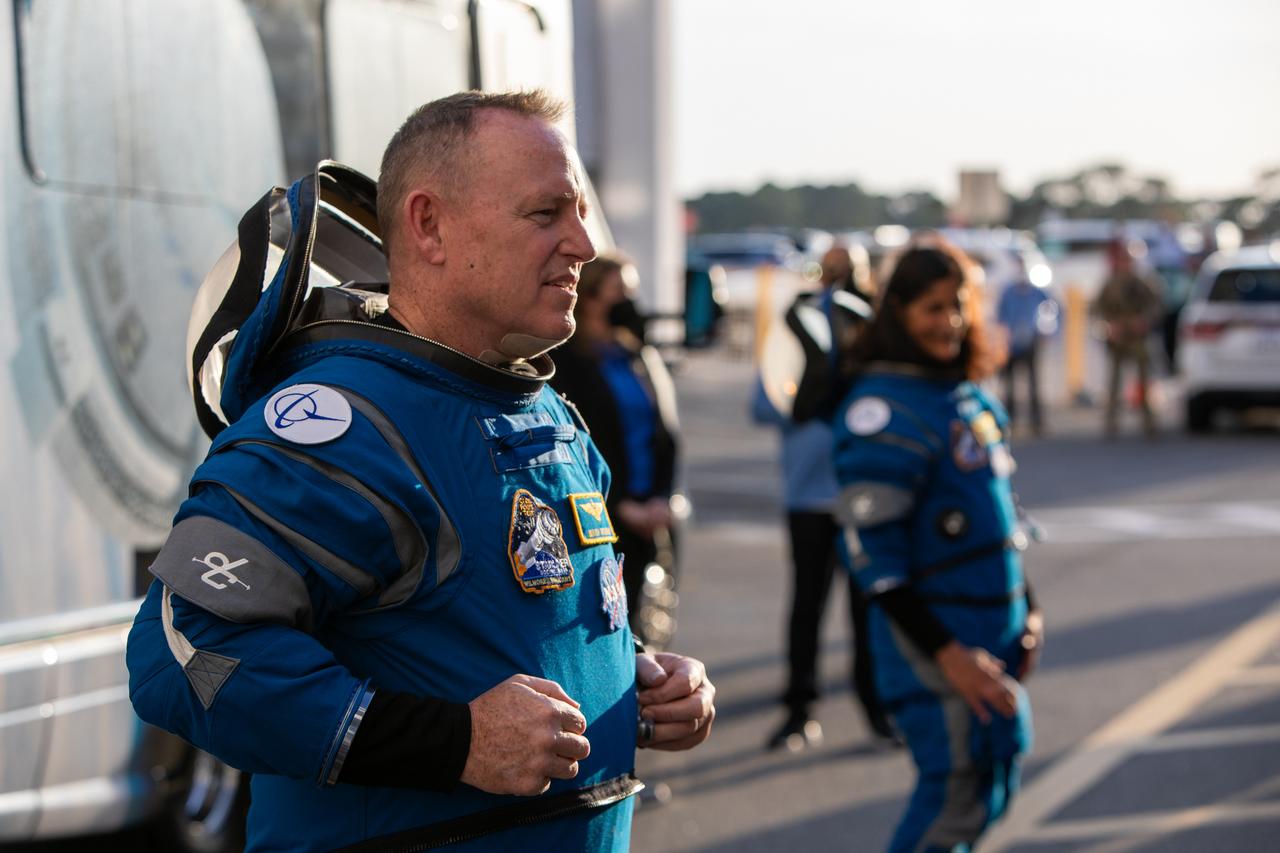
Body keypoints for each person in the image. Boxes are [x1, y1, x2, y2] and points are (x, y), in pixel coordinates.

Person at [126, 90, 714, 853]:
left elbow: (496, 627)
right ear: (429, 225)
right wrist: (455, 740)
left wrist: (638, 678)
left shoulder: (548, 413)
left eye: (578, 214)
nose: (581, 244)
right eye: (546, 215)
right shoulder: (337, 426)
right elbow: (182, 651)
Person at [831, 240, 1043, 852]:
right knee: (953, 798)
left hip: (992, 637)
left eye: (957, 305)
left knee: (990, 783)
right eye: (931, 307)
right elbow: (876, 565)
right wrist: (950, 655)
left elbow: (1000, 522)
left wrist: (1029, 610)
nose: (949, 321)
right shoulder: (881, 411)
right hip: (936, 650)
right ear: (896, 311)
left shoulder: (966, 396)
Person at [751, 245, 894, 751]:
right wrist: (810, 396)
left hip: (864, 494)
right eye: (832, 270)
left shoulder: (874, 331)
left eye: (848, 271)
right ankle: (799, 711)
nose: (839, 281)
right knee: (808, 605)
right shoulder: (795, 325)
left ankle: (878, 710)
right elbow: (763, 404)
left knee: (869, 606)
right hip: (810, 493)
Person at [550, 253, 681, 648]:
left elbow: (663, 431)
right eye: (619, 293)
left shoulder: (634, 355)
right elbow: (576, 441)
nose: (629, 303)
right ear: (588, 298)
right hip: (603, 514)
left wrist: (661, 497)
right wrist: (620, 504)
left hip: (651, 509)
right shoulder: (565, 361)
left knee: (648, 627)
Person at [1093, 239, 1162, 437]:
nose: (1125, 264)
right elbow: (1098, 308)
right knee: (1114, 383)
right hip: (1118, 338)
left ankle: (1149, 423)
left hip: (1137, 337)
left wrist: (1144, 320)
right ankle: (1111, 423)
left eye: (1128, 260)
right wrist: (1110, 325)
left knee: (1144, 380)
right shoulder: (1111, 283)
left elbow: (1155, 306)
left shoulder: (1143, 283)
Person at [996, 260, 1057, 436]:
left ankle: (1036, 422)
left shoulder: (1037, 292)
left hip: (1031, 342)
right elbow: (1001, 316)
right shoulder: (1008, 292)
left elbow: (1050, 312)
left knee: (1033, 383)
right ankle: (1009, 421)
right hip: (1011, 344)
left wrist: (1046, 331)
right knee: (1010, 386)